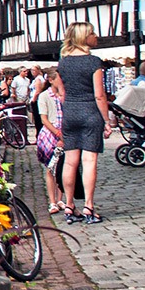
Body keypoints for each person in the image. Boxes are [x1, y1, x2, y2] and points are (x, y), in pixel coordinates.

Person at [58, 22, 109, 225]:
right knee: (89, 162)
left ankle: (69, 205)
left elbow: (63, 92)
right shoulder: (93, 62)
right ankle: (88, 206)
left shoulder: (63, 62)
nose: (95, 36)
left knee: (70, 162)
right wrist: (107, 120)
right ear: (84, 37)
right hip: (90, 112)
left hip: (70, 112)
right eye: (92, 33)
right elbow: (99, 95)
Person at [37, 68, 66, 214]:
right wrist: (57, 133)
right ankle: (52, 201)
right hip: (51, 134)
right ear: (51, 80)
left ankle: (60, 198)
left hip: (64, 133)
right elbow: (44, 119)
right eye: (59, 79)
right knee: (50, 168)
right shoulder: (44, 96)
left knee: (62, 168)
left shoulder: (64, 95)